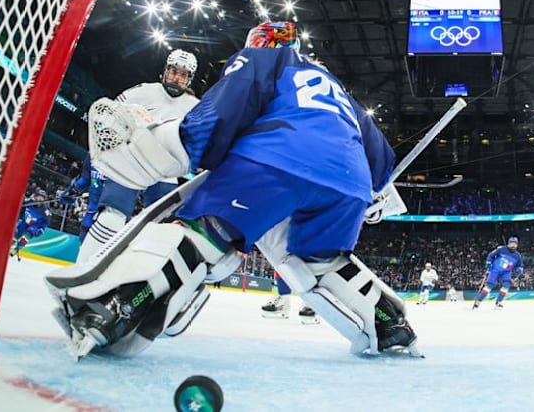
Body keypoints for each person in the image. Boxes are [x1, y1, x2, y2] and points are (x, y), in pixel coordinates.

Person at [53, 20, 417, 358]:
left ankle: (113, 310)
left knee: (204, 232)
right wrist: (373, 195)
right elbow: (381, 159)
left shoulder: (263, 59)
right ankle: (391, 326)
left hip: (277, 159)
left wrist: (184, 144)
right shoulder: (337, 89)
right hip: (348, 187)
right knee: (317, 262)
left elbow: (223, 111)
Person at [76, 49, 199, 264]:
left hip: (165, 172)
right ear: (165, 70)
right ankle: (82, 267)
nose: (176, 77)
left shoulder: (196, 108)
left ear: (189, 78)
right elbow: (111, 115)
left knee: (161, 228)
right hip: (131, 163)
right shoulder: (143, 91)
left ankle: (136, 273)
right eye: (173, 71)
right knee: (112, 217)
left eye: (182, 74)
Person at [57, 153, 106, 242]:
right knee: (84, 234)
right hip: (92, 209)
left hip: (111, 212)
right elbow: (85, 179)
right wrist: (71, 191)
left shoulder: (123, 156)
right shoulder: (92, 154)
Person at [473, 236, 524, 309]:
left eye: (515, 244)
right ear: (508, 244)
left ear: (517, 245)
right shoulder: (501, 249)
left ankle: (498, 303)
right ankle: (479, 301)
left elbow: (520, 266)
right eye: (511, 243)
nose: (513, 245)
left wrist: (519, 270)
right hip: (495, 270)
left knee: (506, 285)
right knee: (489, 286)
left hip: (506, 272)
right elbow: (491, 255)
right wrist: (488, 263)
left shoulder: (518, 256)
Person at [11, 189, 51, 261]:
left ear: (44, 199)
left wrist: (41, 229)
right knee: (16, 235)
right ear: (35, 196)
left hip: (35, 225)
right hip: (25, 222)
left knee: (29, 232)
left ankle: (18, 247)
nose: (40, 199)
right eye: (38, 196)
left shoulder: (45, 211)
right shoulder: (29, 202)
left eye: (42, 197)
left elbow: (46, 222)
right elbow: (20, 206)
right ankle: (9, 245)